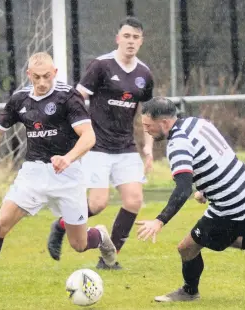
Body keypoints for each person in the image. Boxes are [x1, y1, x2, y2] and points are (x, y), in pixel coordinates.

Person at [0, 52, 117, 300]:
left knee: (79, 245)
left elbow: (89, 137)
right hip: (33, 174)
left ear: (55, 73)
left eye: (47, 76)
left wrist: (67, 158)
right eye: (36, 77)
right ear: (28, 75)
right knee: (0, 224)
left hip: (68, 176)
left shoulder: (68, 97)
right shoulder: (20, 100)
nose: (42, 82)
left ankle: (100, 235)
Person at [135, 96, 245, 302]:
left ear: (164, 123)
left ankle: (189, 292)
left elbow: (183, 189)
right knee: (234, 238)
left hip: (231, 205)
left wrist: (160, 220)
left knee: (187, 248)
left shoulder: (178, 144)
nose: (146, 130)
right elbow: (216, 155)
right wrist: (205, 190)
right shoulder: (198, 123)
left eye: (148, 126)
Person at [47, 16, 154, 269]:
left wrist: (148, 148)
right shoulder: (101, 66)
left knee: (134, 201)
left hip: (126, 147)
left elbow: (147, 114)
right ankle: (62, 224)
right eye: (126, 36)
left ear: (141, 42)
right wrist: (76, 133)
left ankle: (109, 259)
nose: (130, 41)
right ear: (118, 38)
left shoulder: (144, 74)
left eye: (135, 37)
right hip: (97, 146)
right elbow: (76, 99)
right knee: (97, 203)